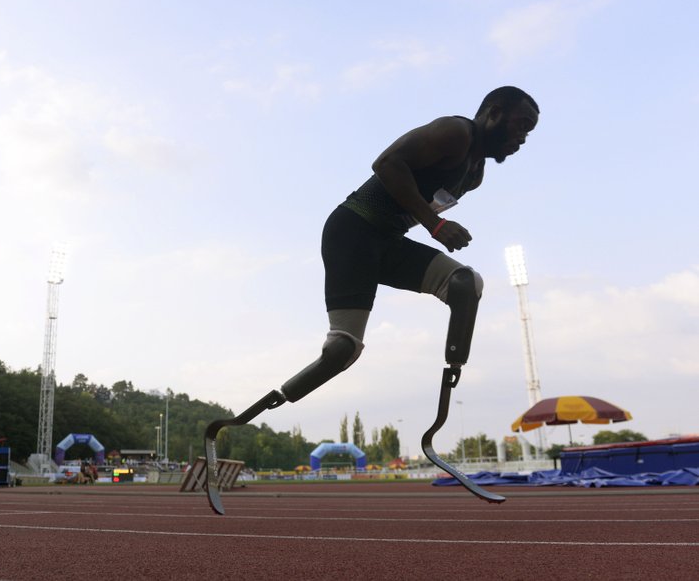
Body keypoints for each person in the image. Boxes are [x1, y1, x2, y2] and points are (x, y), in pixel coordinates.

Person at [221, 87, 540, 427]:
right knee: (342, 350)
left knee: (465, 283)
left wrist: (432, 223)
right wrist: (436, 225)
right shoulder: (455, 133)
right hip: (353, 231)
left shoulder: (474, 175)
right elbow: (386, 163)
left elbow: (416, 201)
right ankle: (258, 411)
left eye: (529, 132)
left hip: (387, 241)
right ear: (492, 113)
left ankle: (452, 376)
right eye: (520, 125)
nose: (521, 138)